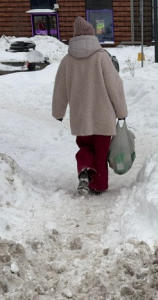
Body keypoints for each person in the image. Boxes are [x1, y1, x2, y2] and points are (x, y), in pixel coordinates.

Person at [52, 17, 128, 196]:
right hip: (104, 116)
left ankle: (85, 171)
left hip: (80, 117)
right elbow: (115, 85)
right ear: (92, 36)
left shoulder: (67, 61)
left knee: (85, 147)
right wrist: (121, 111)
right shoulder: (102, 57)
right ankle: (98, 185)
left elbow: (60, 88)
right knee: (101, 152)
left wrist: (58, 112)